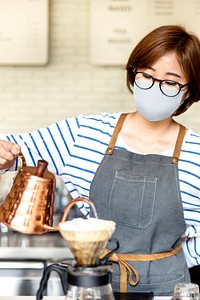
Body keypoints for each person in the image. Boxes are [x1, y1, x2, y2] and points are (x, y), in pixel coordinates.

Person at [0, 24, 200, 296]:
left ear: (187, 91)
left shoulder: (196, 153)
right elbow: (16, 152)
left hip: (167, 289)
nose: (155, 87)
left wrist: (169, 262)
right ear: (134, 74)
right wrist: (4, 156)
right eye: (147, 75)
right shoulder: (85, 133)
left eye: (170, 81)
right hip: (95, 284)